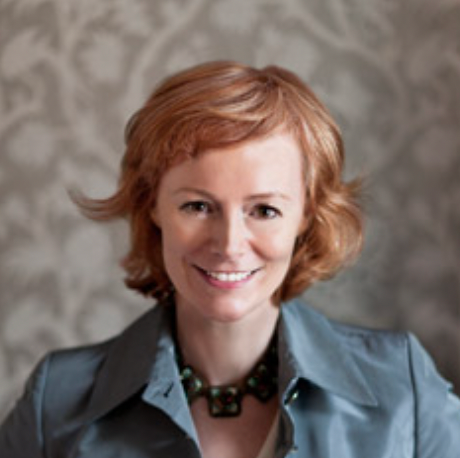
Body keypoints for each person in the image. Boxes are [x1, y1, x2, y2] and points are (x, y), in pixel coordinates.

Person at [1, 61, 459, 458]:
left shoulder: (403, 387)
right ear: (152, 204)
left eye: (264, 210)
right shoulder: (55, 401)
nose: (229, 245)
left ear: (306, 215)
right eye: (198, 206)